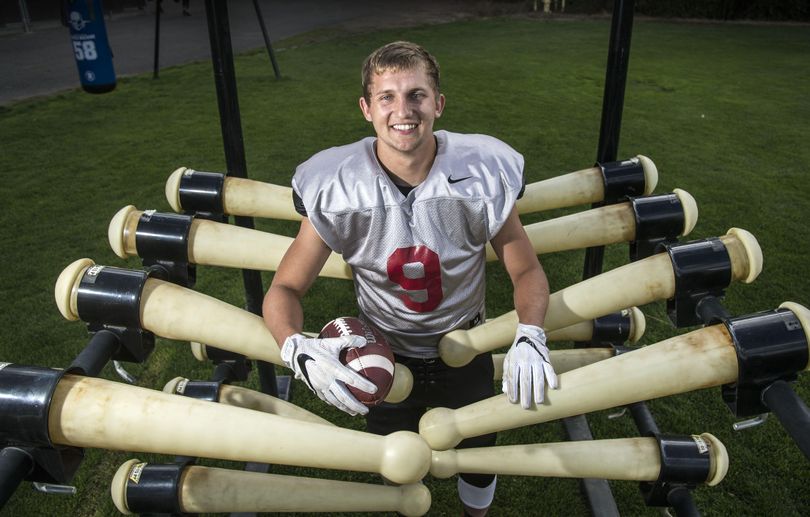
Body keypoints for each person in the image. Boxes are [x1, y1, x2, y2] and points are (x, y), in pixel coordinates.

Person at [262, 40, 558, 516]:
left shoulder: (480, 170)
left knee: (478, 456)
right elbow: (285, 288)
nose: (404, 110)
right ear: (366, 108)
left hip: (466, 344)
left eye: (417, 95)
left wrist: (531, 332)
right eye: (387, 97)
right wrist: (294, 345)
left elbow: (525, 268)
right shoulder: (337, 182)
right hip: (380, 351)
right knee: (393, 465)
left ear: (438, 103)